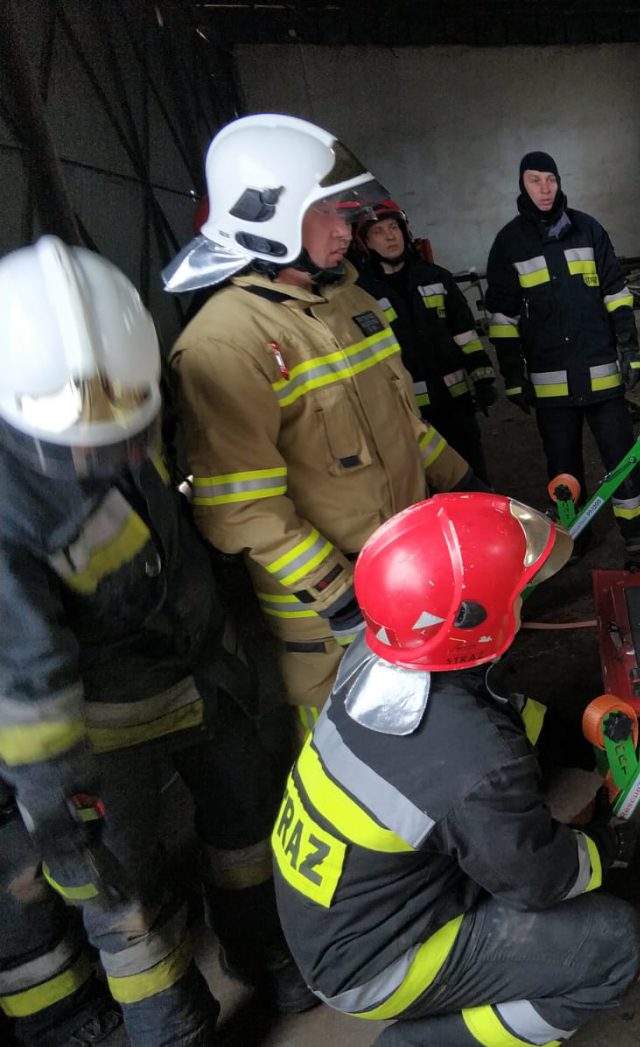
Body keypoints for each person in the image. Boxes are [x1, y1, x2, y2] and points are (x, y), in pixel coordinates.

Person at [0, 237, 314, 1047]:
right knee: (126, 902)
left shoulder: (121, 386)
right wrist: (66, 834)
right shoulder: (8, 510)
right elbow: (28, 696)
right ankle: (172, 1030)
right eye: (91, 449)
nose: (121, 454)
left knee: (247, 835)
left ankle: (261, 947)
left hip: (200, 680)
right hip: (100, 731)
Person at [272, 493, 640, 1046]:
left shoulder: (376, 658)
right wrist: (601, 848)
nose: (526, 596)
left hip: (336, 917)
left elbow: (497, 712)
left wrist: (568, 737)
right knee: (613, 943)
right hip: (373, 965)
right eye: (518, 593)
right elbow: (540, 880)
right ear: (473, 620)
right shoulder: (476, 761)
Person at [163, 114, 477, 724]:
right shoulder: (223, 343)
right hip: (331, 617)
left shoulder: (351, 302)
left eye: (346, 210)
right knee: (355, 759)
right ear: (269, 219)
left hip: (407, 573)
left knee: (441, 720)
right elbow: (240, 508)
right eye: (328, 212)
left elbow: (404, 426)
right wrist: (340, 598)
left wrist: (465, 487)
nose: (348, 227)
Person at [484, 151, 640, 555]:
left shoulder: (589, 230)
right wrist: (512, 376)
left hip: (602, 375)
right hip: (549, 384)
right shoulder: (509, 243)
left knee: (622, 458)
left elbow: (616, 295)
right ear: (521, 185)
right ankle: (573, 536)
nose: (544, 189)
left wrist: (629, 350)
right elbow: (502, 318)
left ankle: (636, 530)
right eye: (534, 180)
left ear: (559, 182)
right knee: (563, 471)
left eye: (550, 180)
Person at [354, 200, 499, 486]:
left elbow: (465, 335)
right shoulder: (360, 295)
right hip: (407, 415)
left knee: (473, 480)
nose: (390, 236)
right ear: (366, 243)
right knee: (427, 490)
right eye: (379, 232)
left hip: (455, 406)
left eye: (394, 227)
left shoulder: (436, 278)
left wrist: (483, 379)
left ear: (405, 231)